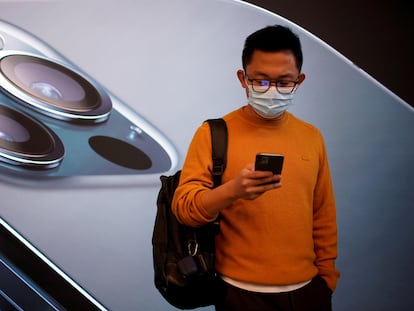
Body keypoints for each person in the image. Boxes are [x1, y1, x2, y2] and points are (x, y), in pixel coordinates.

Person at [172, 25, 340, 311]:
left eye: (284, 82)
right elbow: (184, 208)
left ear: (299, 80)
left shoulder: (312, 136)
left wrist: (326, 281)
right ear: (242, 78)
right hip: (239, 294)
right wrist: (233, 190)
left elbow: (322, 213)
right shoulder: (213, 133)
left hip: (308, 292)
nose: (271, 91)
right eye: (260, 81)